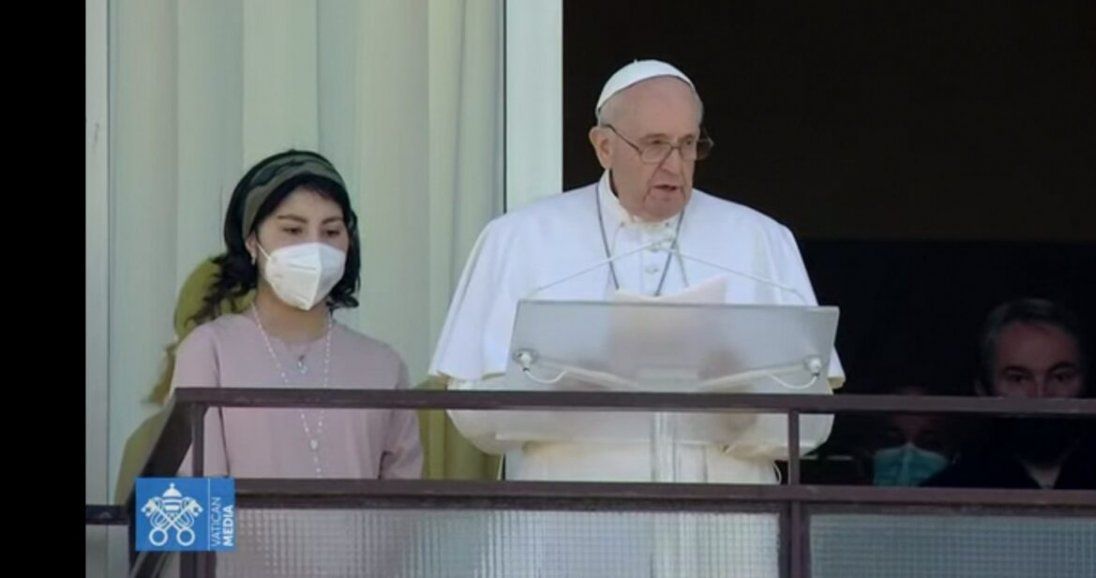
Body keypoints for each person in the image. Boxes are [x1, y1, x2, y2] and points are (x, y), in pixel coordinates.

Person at [429, 59, 844, 577]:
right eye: (653, 145)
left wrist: (740, 404)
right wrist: (565, 388)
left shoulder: (759, 240)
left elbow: (815, 415)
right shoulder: (521, 238)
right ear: (604, 146)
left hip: (723, 538)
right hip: (571, 536)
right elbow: (469, 407)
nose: (674, 165)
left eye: (688, 145)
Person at [166, 150, 423, 577]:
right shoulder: (208, 350)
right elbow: (186, 511)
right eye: (292, 229)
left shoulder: (384, 364)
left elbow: (403, 515)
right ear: (252, 241)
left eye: (331, 231)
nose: (314, 247)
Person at [923, 298, 1096, 489]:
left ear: (1087, 381)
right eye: (1018, 379)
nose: (1040, 395)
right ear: (983, 389)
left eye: (1060, 377)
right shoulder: (949, 491)